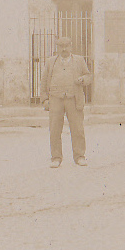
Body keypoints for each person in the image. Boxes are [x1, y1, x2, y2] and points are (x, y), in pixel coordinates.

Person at [41, 36, 92, 168]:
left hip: (74, 99)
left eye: (66, 46)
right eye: (60, 46)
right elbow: (44, 81)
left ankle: (80, 156)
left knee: (77, 129)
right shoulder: (50, 62)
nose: (64, 49)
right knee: (54, 129)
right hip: (55, 99)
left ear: (71, 47)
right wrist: (45, 99)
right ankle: (56, 158)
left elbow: (88, 76)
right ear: (57, 48)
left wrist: (83, 79)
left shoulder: (79, 60)